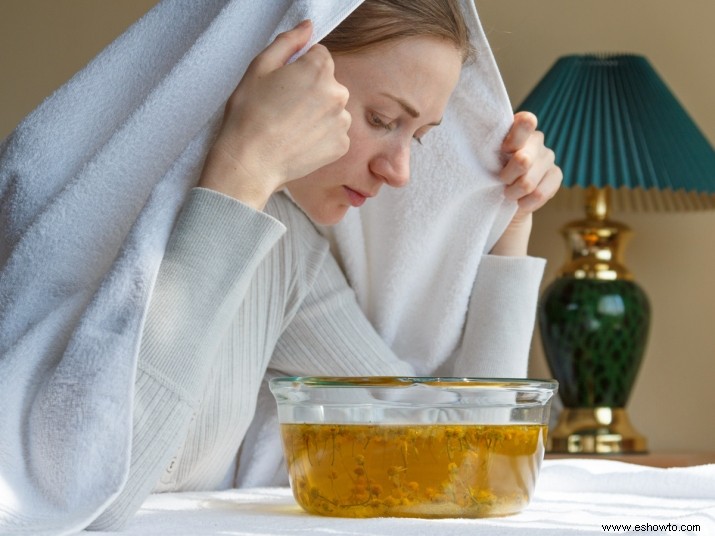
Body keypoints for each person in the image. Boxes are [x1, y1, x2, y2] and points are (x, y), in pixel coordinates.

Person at [0, 0, 560, 533]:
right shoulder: (74, 225)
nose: (400, 172)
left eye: (419, 137)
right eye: (382, 117)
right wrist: (242, 168)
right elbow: (85, 498)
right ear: (282, 68)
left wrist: (510, 225)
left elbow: (463, 452)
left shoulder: (283, 247)